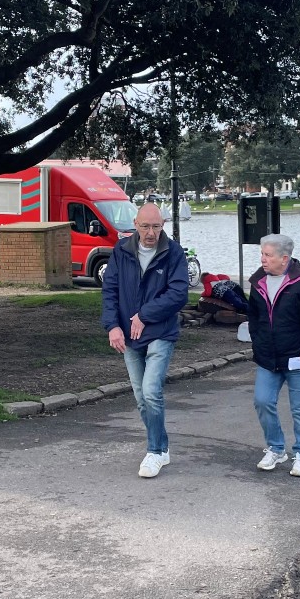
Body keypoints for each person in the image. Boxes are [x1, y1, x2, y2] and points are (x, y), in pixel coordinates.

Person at [101, 203, 190, 479]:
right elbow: (110, 290)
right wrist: (113, 326)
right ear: (135, 225)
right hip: (128, 335)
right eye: (145, 226)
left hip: (160, 332)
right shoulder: (121, 250)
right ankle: (162, 447)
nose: (151, 233)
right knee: (141, 398)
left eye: (156, 226)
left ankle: (153, 452)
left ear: (162, 225)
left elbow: (179, 293)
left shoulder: (173, 252)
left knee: (151, 391)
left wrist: (145, 315)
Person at [248, 234, 300, 478]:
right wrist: (258, 342)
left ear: (284, 258)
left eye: (268, 255)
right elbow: (254, 318)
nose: (263, 259)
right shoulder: (258, 281)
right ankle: (276, 448)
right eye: (262, 254)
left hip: (299, 357)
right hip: (268, 357)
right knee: (262, 401)